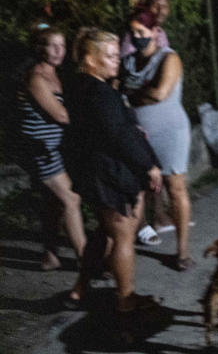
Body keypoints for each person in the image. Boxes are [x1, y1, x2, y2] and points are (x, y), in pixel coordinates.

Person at [64, 28, 163, 312]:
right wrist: (149, 166)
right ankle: (125, 301)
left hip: (93, 170)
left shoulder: (80, 86)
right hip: (109, 173)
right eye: (108, 56)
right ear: (90, 60)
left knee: (105, 232)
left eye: (115, 54)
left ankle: (80, 288)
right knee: (122, 235)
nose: (116, 61)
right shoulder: (100, 93)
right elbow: (120, 134)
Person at [120, 9, 194, 271]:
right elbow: (119, 92)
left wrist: (131, 94)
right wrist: (134, 94)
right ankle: (124, 248)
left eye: (143, 32)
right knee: (136, 190)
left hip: (170, 133)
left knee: (175, 188)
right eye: (134, 32)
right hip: (139, 135)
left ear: (154, 32)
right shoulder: (128, 61)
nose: (138, 37)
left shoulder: (169, 58)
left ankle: (182, 252)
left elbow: (160, 93)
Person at [13, 24, 86, 271]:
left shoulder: (56, 73)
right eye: (53, 45)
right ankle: (86, 261)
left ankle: (50, 256)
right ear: (39, 48)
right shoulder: (36, 78)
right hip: (40, 149)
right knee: (71, 199)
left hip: (54, 148)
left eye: (62, 45)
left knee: (55, 203)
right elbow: (62, 116)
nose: (59, 51)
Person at [120, 0, 174, 244]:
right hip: (135, 110)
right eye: (156, 4)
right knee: (142, 168)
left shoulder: (161, 34)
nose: (161, 10)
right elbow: (127, 74)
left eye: (165, 5)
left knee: (155, 166)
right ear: (147, 4)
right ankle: (141, 226)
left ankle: (161, 217)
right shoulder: (134, 33)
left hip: (154, 111)